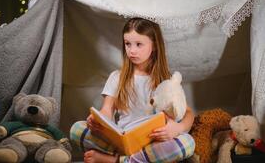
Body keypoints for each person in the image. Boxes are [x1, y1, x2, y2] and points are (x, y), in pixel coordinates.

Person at [70, 17, 195, 163]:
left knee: (187, 143)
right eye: (128, 44)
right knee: (77, 129)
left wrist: (177, 128)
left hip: (153, 142)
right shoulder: (117, 77)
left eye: (139, 44)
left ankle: (116, 161)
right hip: (122, 141)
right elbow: (107, 110)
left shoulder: (166, 80)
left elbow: (188, 113)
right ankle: (134, 159)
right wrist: (98, 121)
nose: (132, 50)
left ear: (154, 46)